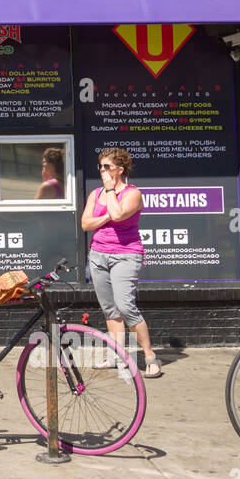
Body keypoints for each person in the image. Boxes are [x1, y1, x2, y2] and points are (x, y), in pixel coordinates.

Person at [81, 147, 161, 378]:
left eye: (107, 166)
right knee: (110, 310)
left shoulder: (132, 194)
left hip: (126, 255)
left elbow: (117, 215)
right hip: (98, 255)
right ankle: (118, 356)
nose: (102, 170)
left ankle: (149, 356)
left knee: (126, 306)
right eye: (100, 166)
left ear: (119, 170)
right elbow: (86, 224)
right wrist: (104, 212)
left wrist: (109, 192)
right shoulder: (95, 194)